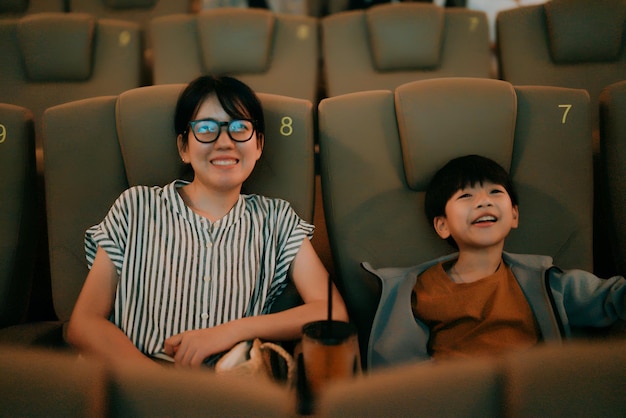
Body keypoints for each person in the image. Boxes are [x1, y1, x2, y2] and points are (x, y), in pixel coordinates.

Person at [67, 75, 348, 369]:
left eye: (240, 127)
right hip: (133, 380)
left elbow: (330, 311)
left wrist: (229, 332)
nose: (224, 142)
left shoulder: (277, 219)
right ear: (184, 147)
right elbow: (84, 322)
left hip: (224, 389)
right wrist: (154, 384)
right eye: (206, 129)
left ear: (259, 145)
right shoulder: (135, 207)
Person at [366, 154, 625, 367]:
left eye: (495, 191)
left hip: (531, 395)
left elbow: (609, 297)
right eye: (466, 196)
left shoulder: (542, 280)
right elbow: (399, 368)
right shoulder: (418, 290)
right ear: (442, 225)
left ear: (514, 215)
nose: (484, 201)